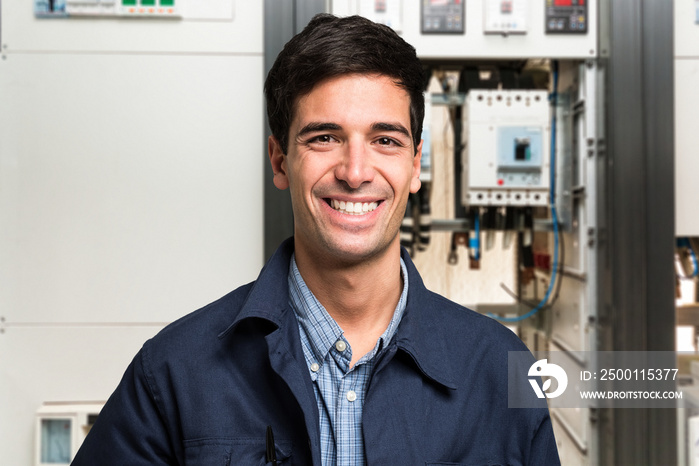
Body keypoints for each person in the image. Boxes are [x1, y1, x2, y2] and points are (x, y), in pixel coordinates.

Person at [73, 13, 559, 465]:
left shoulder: (502, 369)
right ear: (280, 160)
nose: (355, 172)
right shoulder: (174, 373)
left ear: (415, 166)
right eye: (324, 137)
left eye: (385, 139)